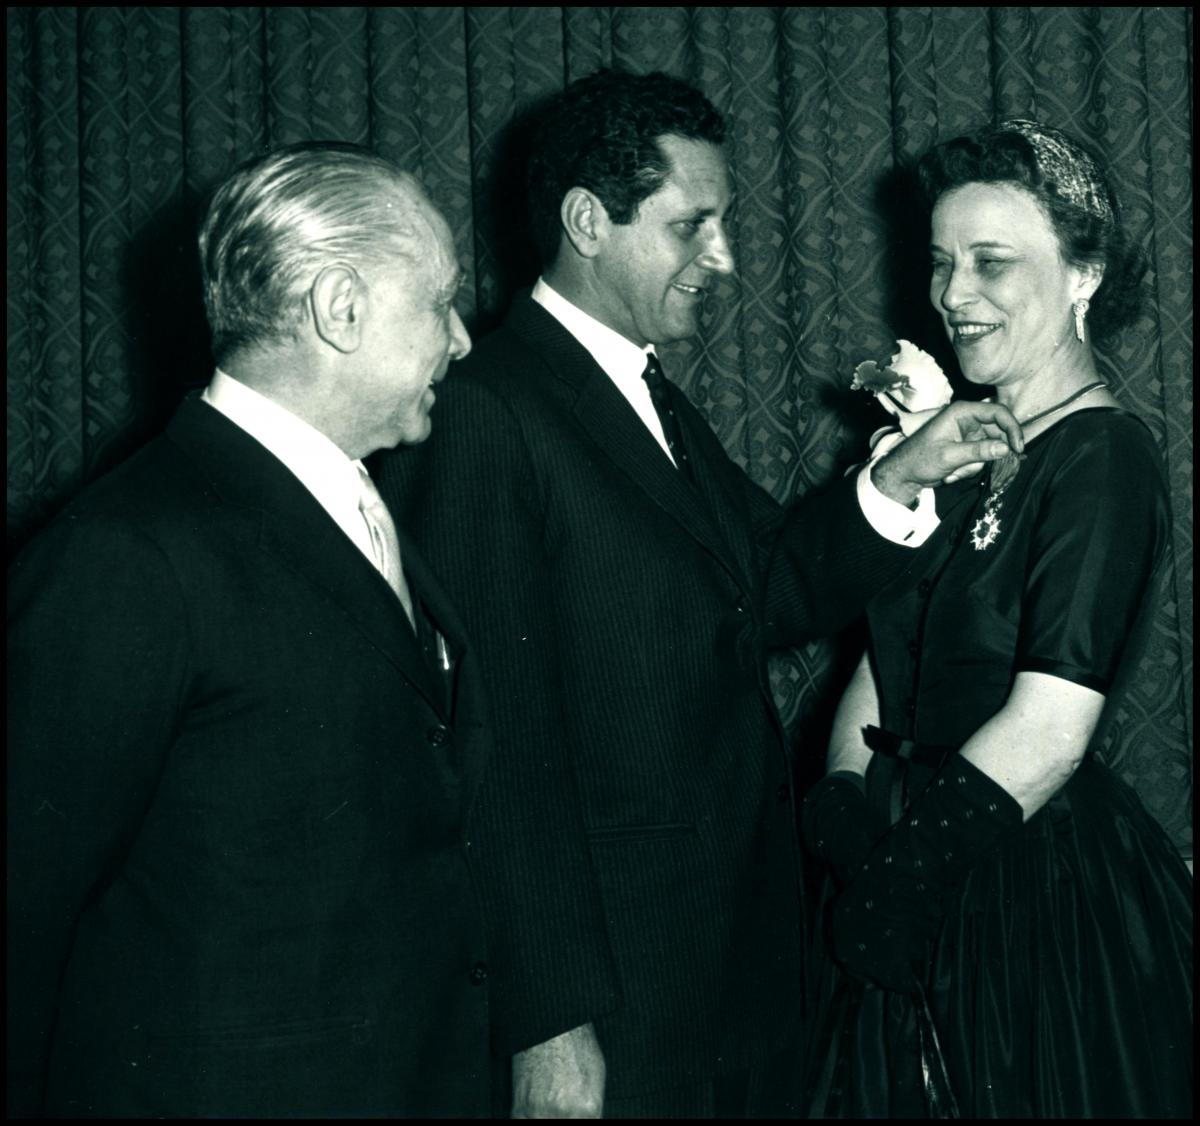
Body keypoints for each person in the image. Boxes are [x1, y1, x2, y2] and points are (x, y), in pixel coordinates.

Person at [374, 70, 1022, 1117]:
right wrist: (548, 1022)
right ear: (589, 220)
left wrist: (900, 477)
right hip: (619, 998)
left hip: (724, 969)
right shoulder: (492, 408)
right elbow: (500, 747)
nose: (719, 260)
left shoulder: (637, 395)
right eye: (692, 227)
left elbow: (767, 585)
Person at [6, 142, 614, 1118]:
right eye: (438, 303)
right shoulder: (125, 556)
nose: (461, 339)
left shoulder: (369, 506)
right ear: (341, 308)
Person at [801, 120, 1193, 1117]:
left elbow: (1053, 727)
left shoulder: (1103, 458)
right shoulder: (960, 443)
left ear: (1083, 273)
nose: (952, 295)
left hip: (1016, 876)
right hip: (904, 848)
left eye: (991, 263)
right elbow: (889, 650)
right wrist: (845, 793)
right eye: (940, 263)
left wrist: (907, 873)